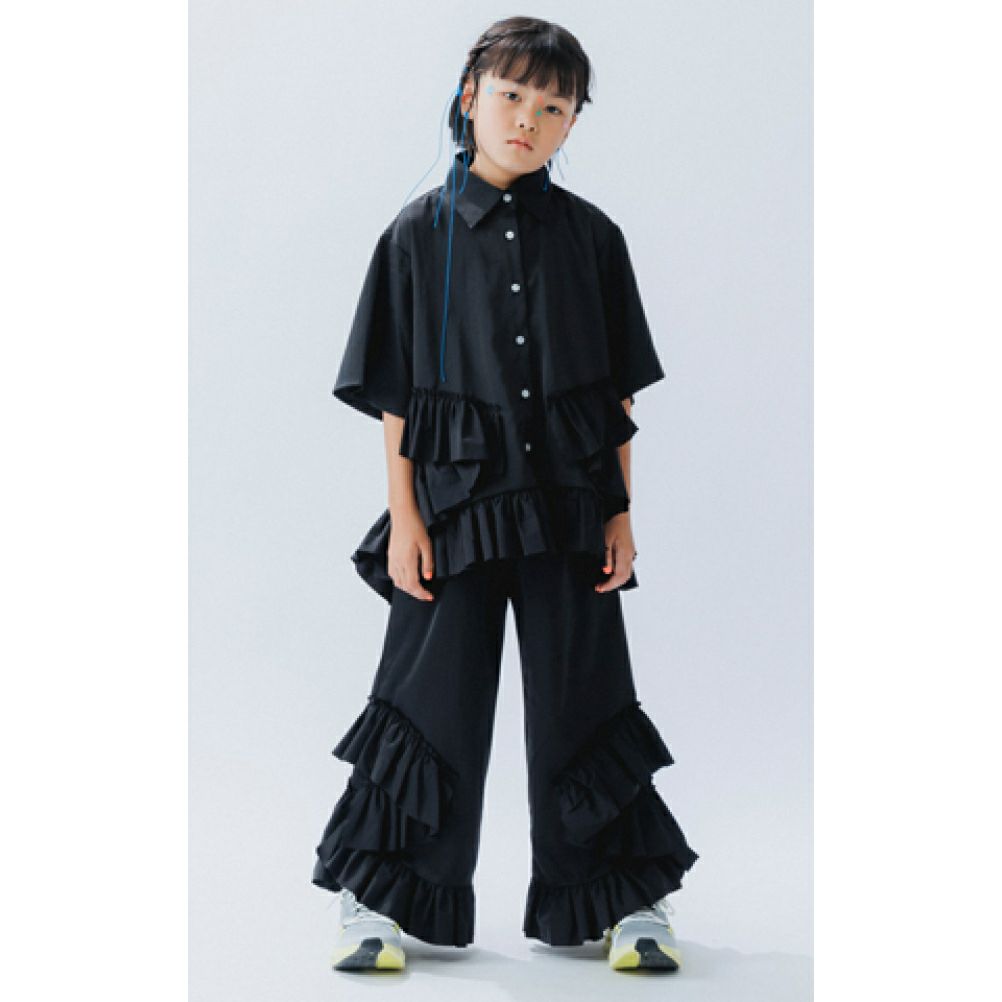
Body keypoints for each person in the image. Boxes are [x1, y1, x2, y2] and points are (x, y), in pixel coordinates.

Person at [313, 16, 700, 973]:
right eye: (513, 95)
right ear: (470, 96)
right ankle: (379, 897)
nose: (529, 118)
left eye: (554, 106)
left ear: (573, 123)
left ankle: (621, 899)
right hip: (453, 512)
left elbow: (616, 396)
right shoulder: (416, 235)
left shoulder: (594, 239)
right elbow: (397, 397)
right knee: (428, 701)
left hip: (570, 508)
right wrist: (405, 518)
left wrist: (621, 512)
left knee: (585, 700)